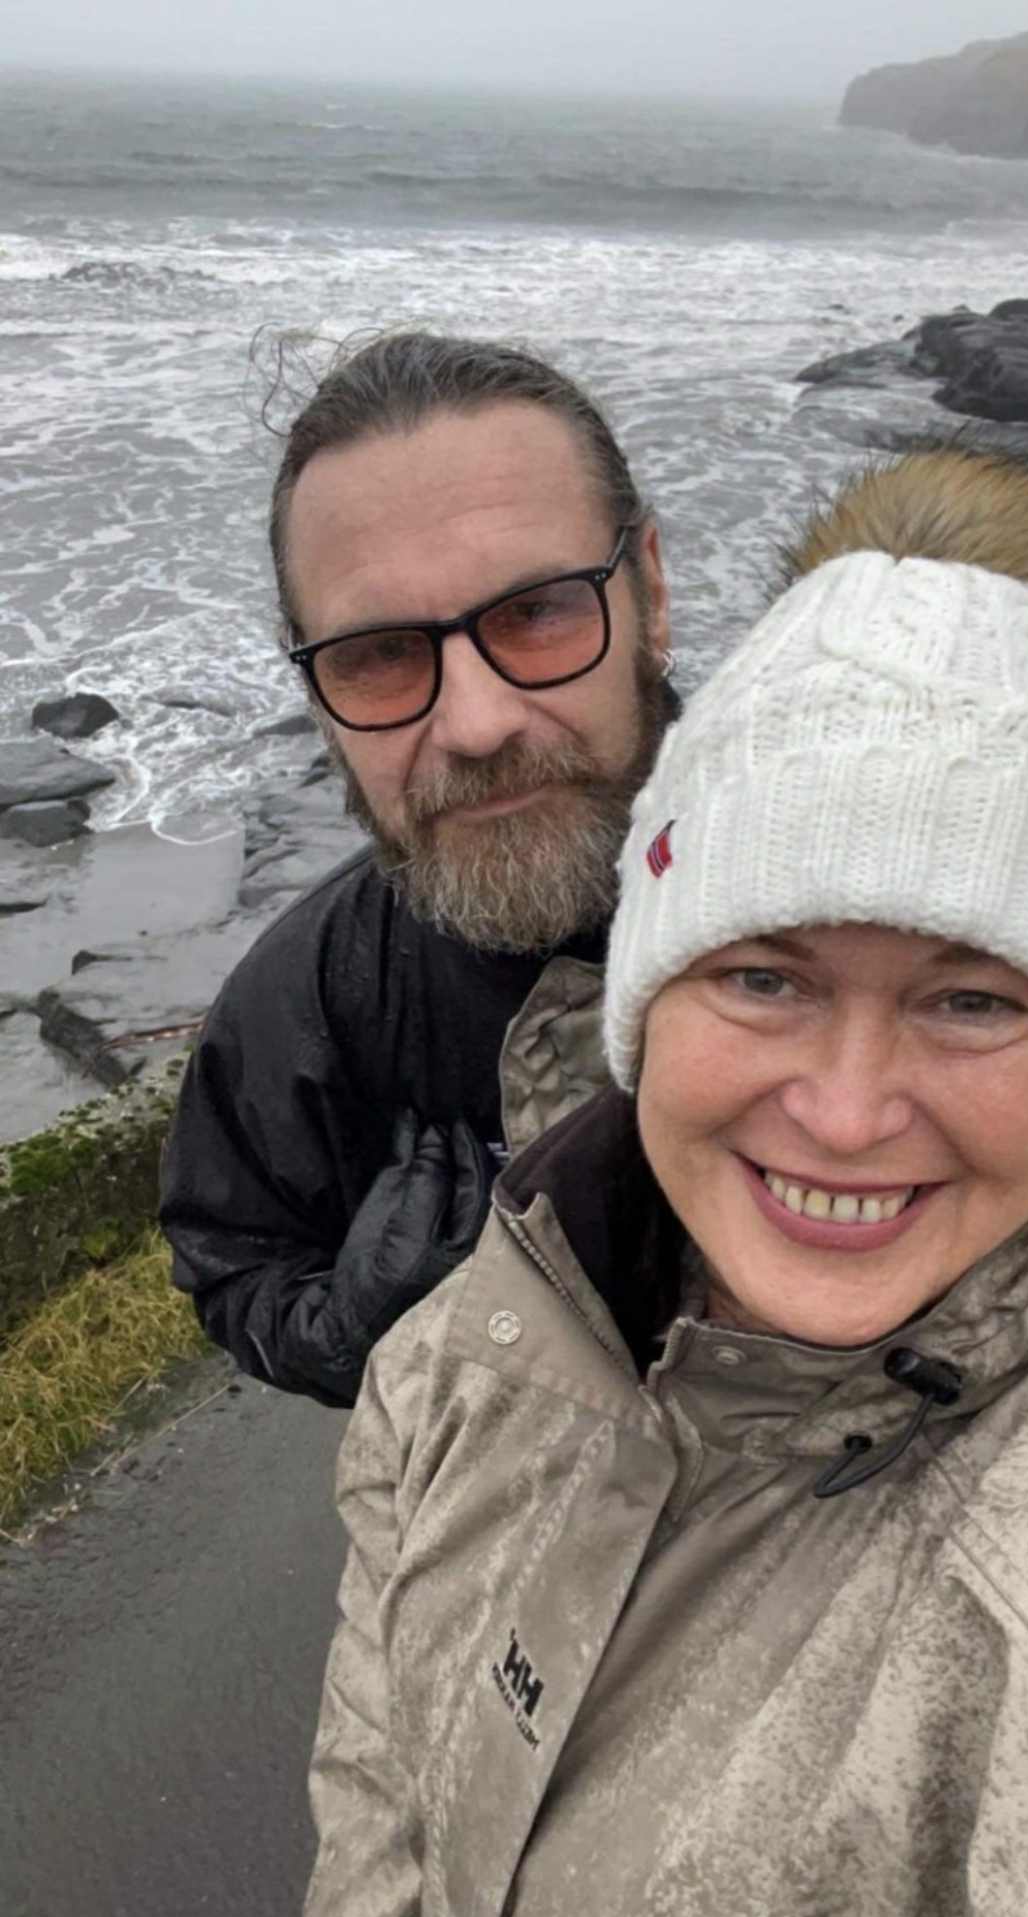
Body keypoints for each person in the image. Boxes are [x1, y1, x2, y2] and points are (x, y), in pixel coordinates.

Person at [274, 444, 1028, 1917]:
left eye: (971, 998)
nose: (849, 1111)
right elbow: (374, 1915)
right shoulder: (460, 1363)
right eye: (764, 977)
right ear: (644, 996)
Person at [159, 331, 672, 1405]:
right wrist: (353, 1334)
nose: (477, 724)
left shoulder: (882, 895)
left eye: (536, 612)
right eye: (380, 654)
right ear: (314, 690)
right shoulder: (300, 1001)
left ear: (651, 594)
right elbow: (234, 1260)